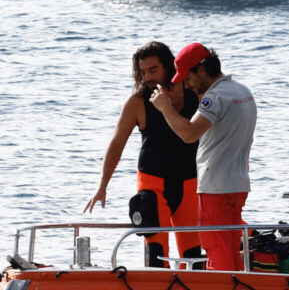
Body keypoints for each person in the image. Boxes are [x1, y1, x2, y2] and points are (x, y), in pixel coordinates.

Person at [84, 41, 202, 268]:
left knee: (194, 254)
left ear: (169, 67)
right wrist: (102, 185)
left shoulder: (193, 94)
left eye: (153, 70)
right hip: (152, 185)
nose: (147, 77)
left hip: (189, 183)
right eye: (142, 72)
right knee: (156, 256)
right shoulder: (137, 102)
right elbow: (117, 143)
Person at [150, 43, 257, 271]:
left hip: (215, 188)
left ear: (202, 70)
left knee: (217, 251)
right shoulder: (241, 91)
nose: (186, 84)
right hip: (238, 183)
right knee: (230, 249)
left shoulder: (215, 98)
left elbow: (189, 134)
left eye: (187, 77)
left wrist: (165, 107)